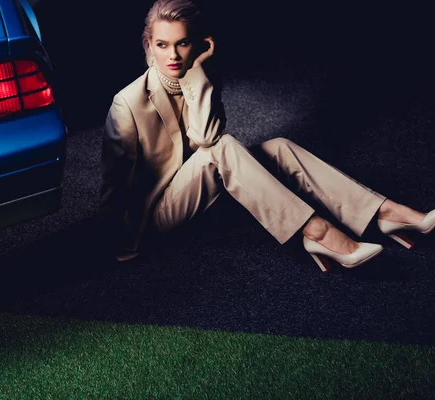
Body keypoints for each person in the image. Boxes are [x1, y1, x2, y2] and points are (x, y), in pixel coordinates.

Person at [99, 0, 435, 272]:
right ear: (149, 46)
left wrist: (198, 75)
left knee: (279, 148)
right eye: (162, 44)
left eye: (182, 43)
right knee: (223, 147)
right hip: (155, 218)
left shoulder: (199, 78)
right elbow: (118, 187)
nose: (173, 55)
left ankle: (384, 212)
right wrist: (123, 246)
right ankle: (317, 231)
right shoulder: (127, 103)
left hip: (206, 194)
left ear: (197, 43)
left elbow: (206, 134)